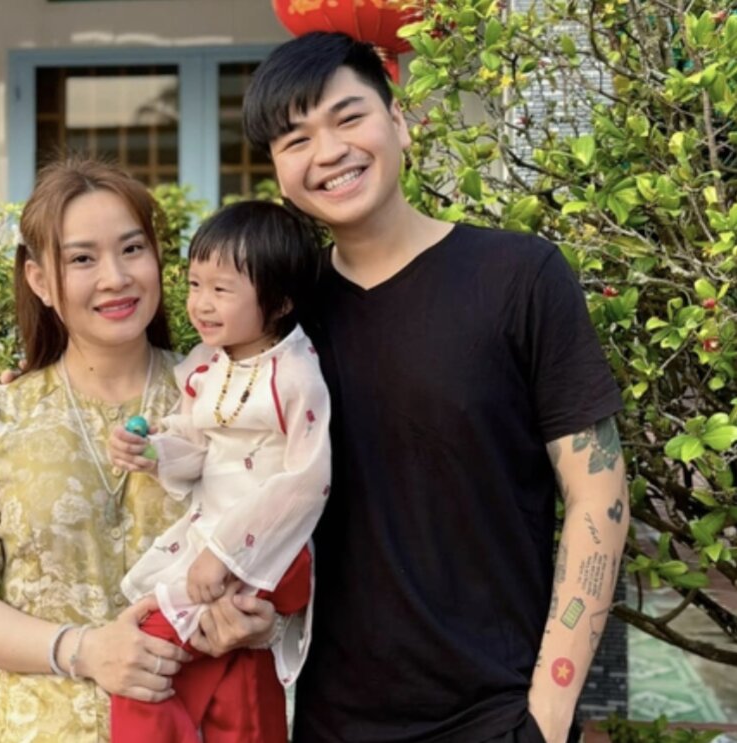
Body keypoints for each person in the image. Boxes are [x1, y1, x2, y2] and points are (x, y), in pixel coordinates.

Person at [233, 31, 630, 743]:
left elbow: (598, 494)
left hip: (499, 715)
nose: (328, 152)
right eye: (296, 139)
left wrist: (547, 713)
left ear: (399, 121)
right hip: (329, 720)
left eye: (348, 117)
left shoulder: (518, 276)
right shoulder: (281, 317)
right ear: (279, 172)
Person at [0, 158, 280, 742]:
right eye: (82, 259)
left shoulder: (234, 401)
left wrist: (261, 622)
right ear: (39, 280)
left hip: (199, 724)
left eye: (132, 249)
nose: (115, 277)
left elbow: (289, 548)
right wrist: (81, 649)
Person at [107, 200, 331, 742]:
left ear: (279, 301)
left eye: (221, 290)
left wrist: (226, 552)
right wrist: (154, 453)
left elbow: (308, 481)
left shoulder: (296, 375)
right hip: (214, 539)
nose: (200, 304)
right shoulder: (209, 366)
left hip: (265, 548)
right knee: (231, 685)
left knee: (150, 653)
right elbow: (195, 445)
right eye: (194, 285)